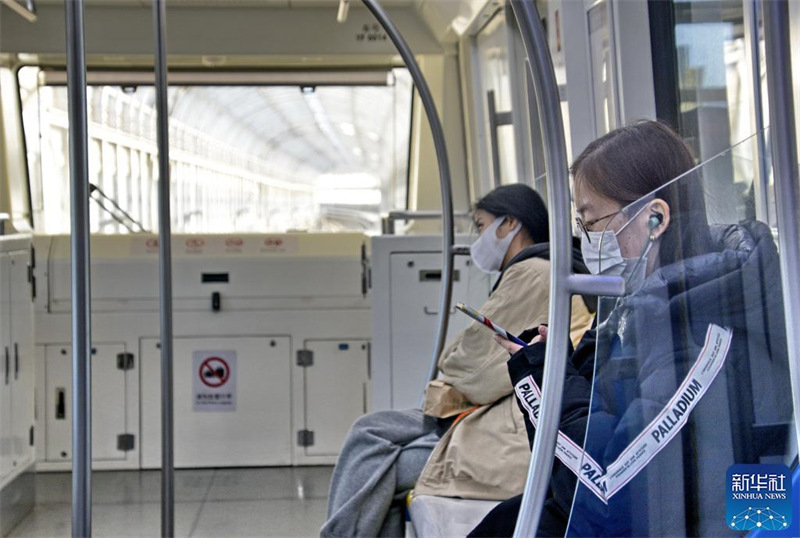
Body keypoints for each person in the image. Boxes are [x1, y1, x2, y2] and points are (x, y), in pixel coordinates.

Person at [471, 120, 793, 537]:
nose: (586, 240)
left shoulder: (702, 335)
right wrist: (567, 365)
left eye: (592, 222)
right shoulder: (650, 307)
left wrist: (544, 383)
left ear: (655, 219)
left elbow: (604, 486)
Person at [321, 184, 594, 537]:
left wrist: (453, 359)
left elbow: (472, 368)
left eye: (481, 226)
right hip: (497, 419)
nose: (477, 239)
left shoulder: (533, 273)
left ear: (509, 223)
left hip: (506, 434)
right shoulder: (545, 268)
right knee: (370, 436)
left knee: (376, 458)